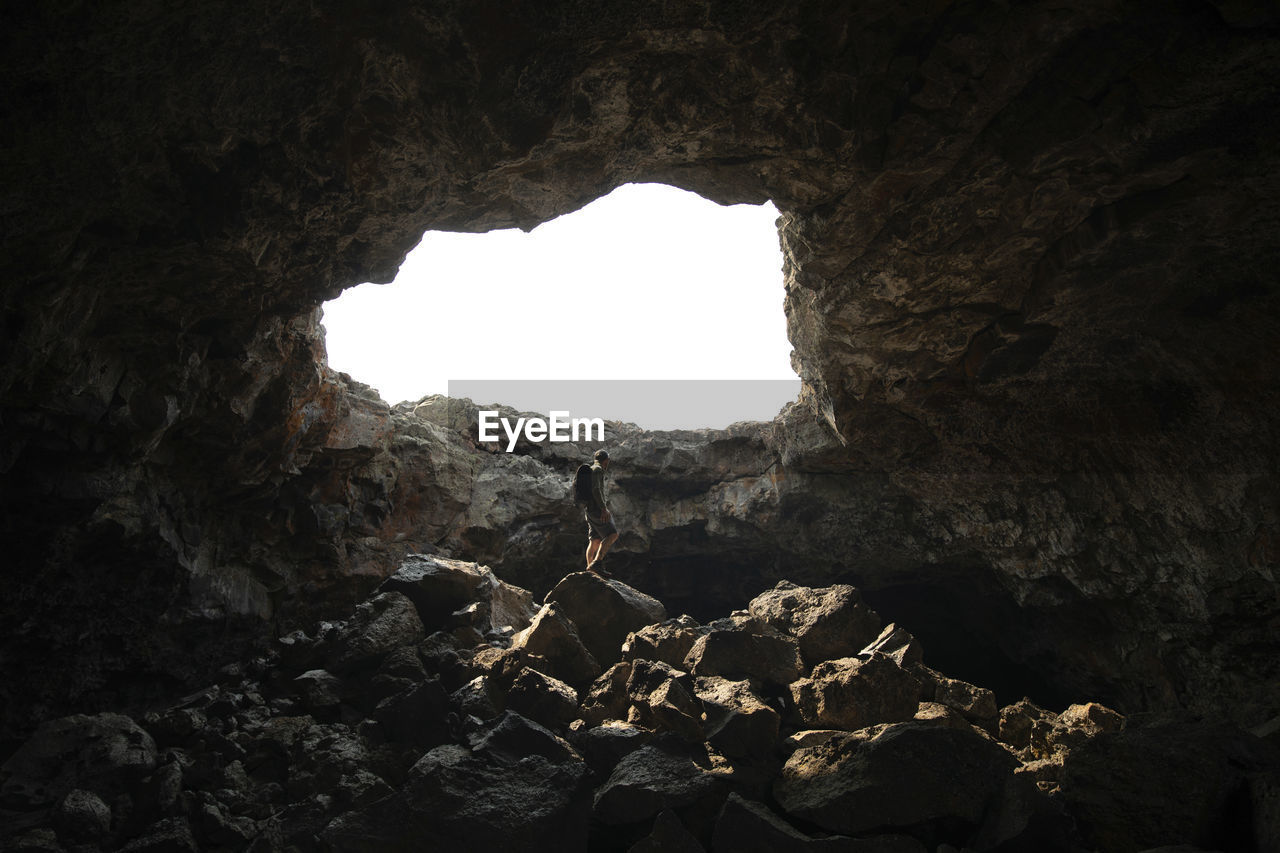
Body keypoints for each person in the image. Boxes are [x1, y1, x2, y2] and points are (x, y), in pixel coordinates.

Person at [584, 449, 619, 576]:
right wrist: (603, 508)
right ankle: (597, 563)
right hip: (597, 509)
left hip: (588, 509)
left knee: (595, 540)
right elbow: (596, 490)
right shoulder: (598, 470)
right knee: (612, 534)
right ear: (606, 461)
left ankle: (590, 569)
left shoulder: (590, 469)